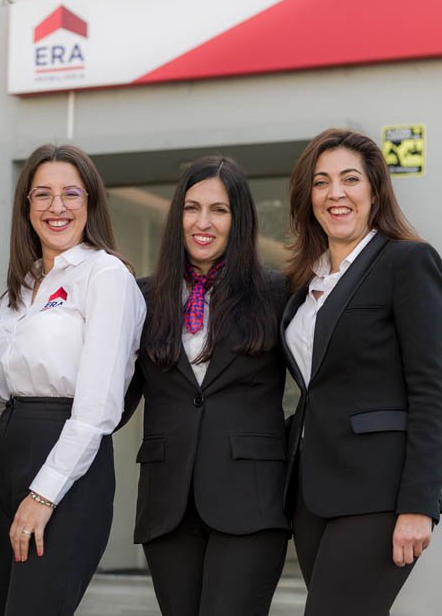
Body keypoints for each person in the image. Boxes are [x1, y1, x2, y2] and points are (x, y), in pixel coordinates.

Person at [0, 143, 145, 616]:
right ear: (26, 205)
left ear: (91, 203)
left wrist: (43, 495)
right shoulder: (20, 287)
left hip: (66, 469)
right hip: (5, 460)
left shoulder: (106, 276)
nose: (56, 207)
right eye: (42, 194)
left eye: (70, 193)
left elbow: (98, 408)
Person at [281, 128, 442, 616]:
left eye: (350, 179)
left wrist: (419, 503)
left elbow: (432, 392)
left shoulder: (407, 262)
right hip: (314, 494)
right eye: (321, 182)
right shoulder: (306, 282)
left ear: (375, 190)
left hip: (380, 492)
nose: (336, 193)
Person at [120, 156, 290, 616]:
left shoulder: (277, 293)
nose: (203, 222)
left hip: (251, 501)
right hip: (167, 503)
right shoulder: (141, 295)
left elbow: (323, 385)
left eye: (219, 209)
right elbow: (112, 399)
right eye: (192, 208)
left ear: (240, 220)